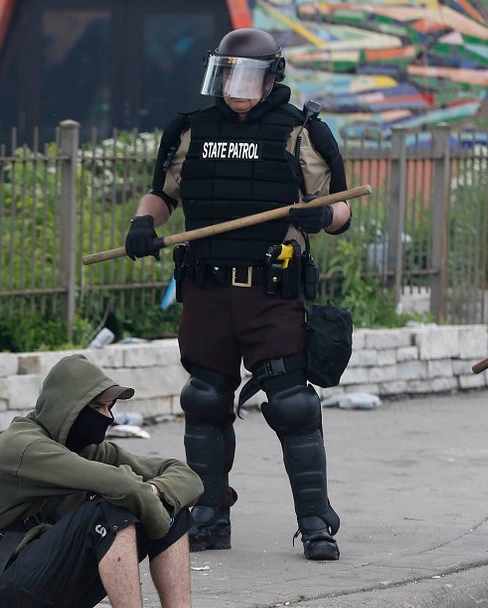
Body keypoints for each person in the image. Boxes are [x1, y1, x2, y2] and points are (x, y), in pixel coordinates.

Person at [123, 28, 352, 559]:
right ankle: (207, 517)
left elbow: (342, 209)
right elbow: (163, 194)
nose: (237, 87)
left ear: (272, 76)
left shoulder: (301, 134)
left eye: (248, 75)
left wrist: (322, 214)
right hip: (206, 292)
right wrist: (142, 222)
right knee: (204, 400)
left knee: (293, 405)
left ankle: (315, 521)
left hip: (269, 292)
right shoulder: (191, 130)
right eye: (229, 74)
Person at [0, 354, 248, 608]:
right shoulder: (24, 447)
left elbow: (185, 475)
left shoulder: (80, 447)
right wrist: (149, 506)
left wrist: (157, 496)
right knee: (111, 510)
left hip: (40, 592)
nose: (108, 417)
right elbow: (120, 486)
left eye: (111, 408)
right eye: (99, 408)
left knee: (167, 503)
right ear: (68, 408)